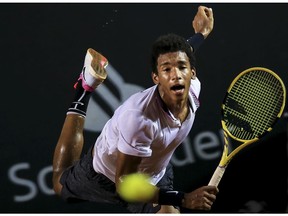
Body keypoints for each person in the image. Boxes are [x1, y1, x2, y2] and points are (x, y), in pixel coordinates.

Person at [52, 5, 218, 213]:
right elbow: (125, 183)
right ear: (156, 78)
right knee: (59, 182)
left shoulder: (193, 88)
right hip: (110, 176)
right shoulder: (140, 117)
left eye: (182, 68)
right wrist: (182, 198)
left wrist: (201, 33)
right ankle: (85, 88)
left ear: (192, 73)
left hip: (154, 172)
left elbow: (184, 52)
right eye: (166, 70)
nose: (175, 75)